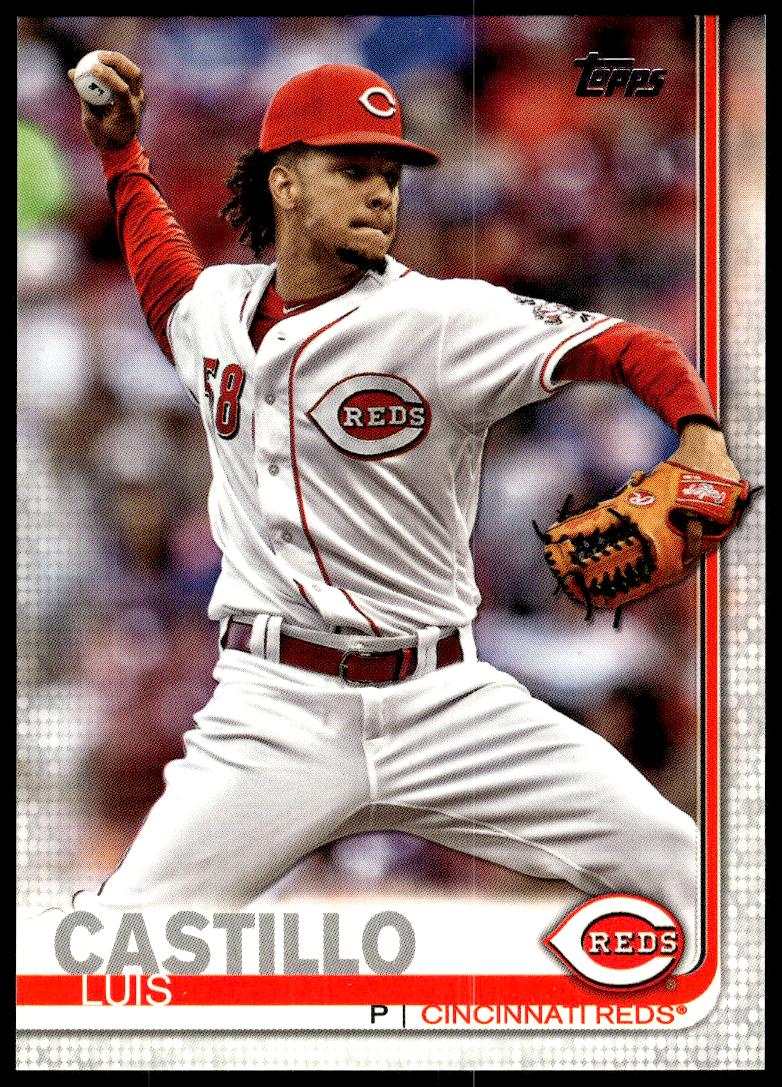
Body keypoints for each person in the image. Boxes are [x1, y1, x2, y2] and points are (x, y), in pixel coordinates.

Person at [68, 52, 742, 970]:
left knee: (675, 860)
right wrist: (122, 157)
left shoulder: (445, 319)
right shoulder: (216, 309)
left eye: (390, 173)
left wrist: (699, 432)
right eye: (353, 169)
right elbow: (161, 278)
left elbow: (628, 346)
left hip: (442, 700)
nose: (382, 192)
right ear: (284, 182)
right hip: (276, 709)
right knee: (120, 952)